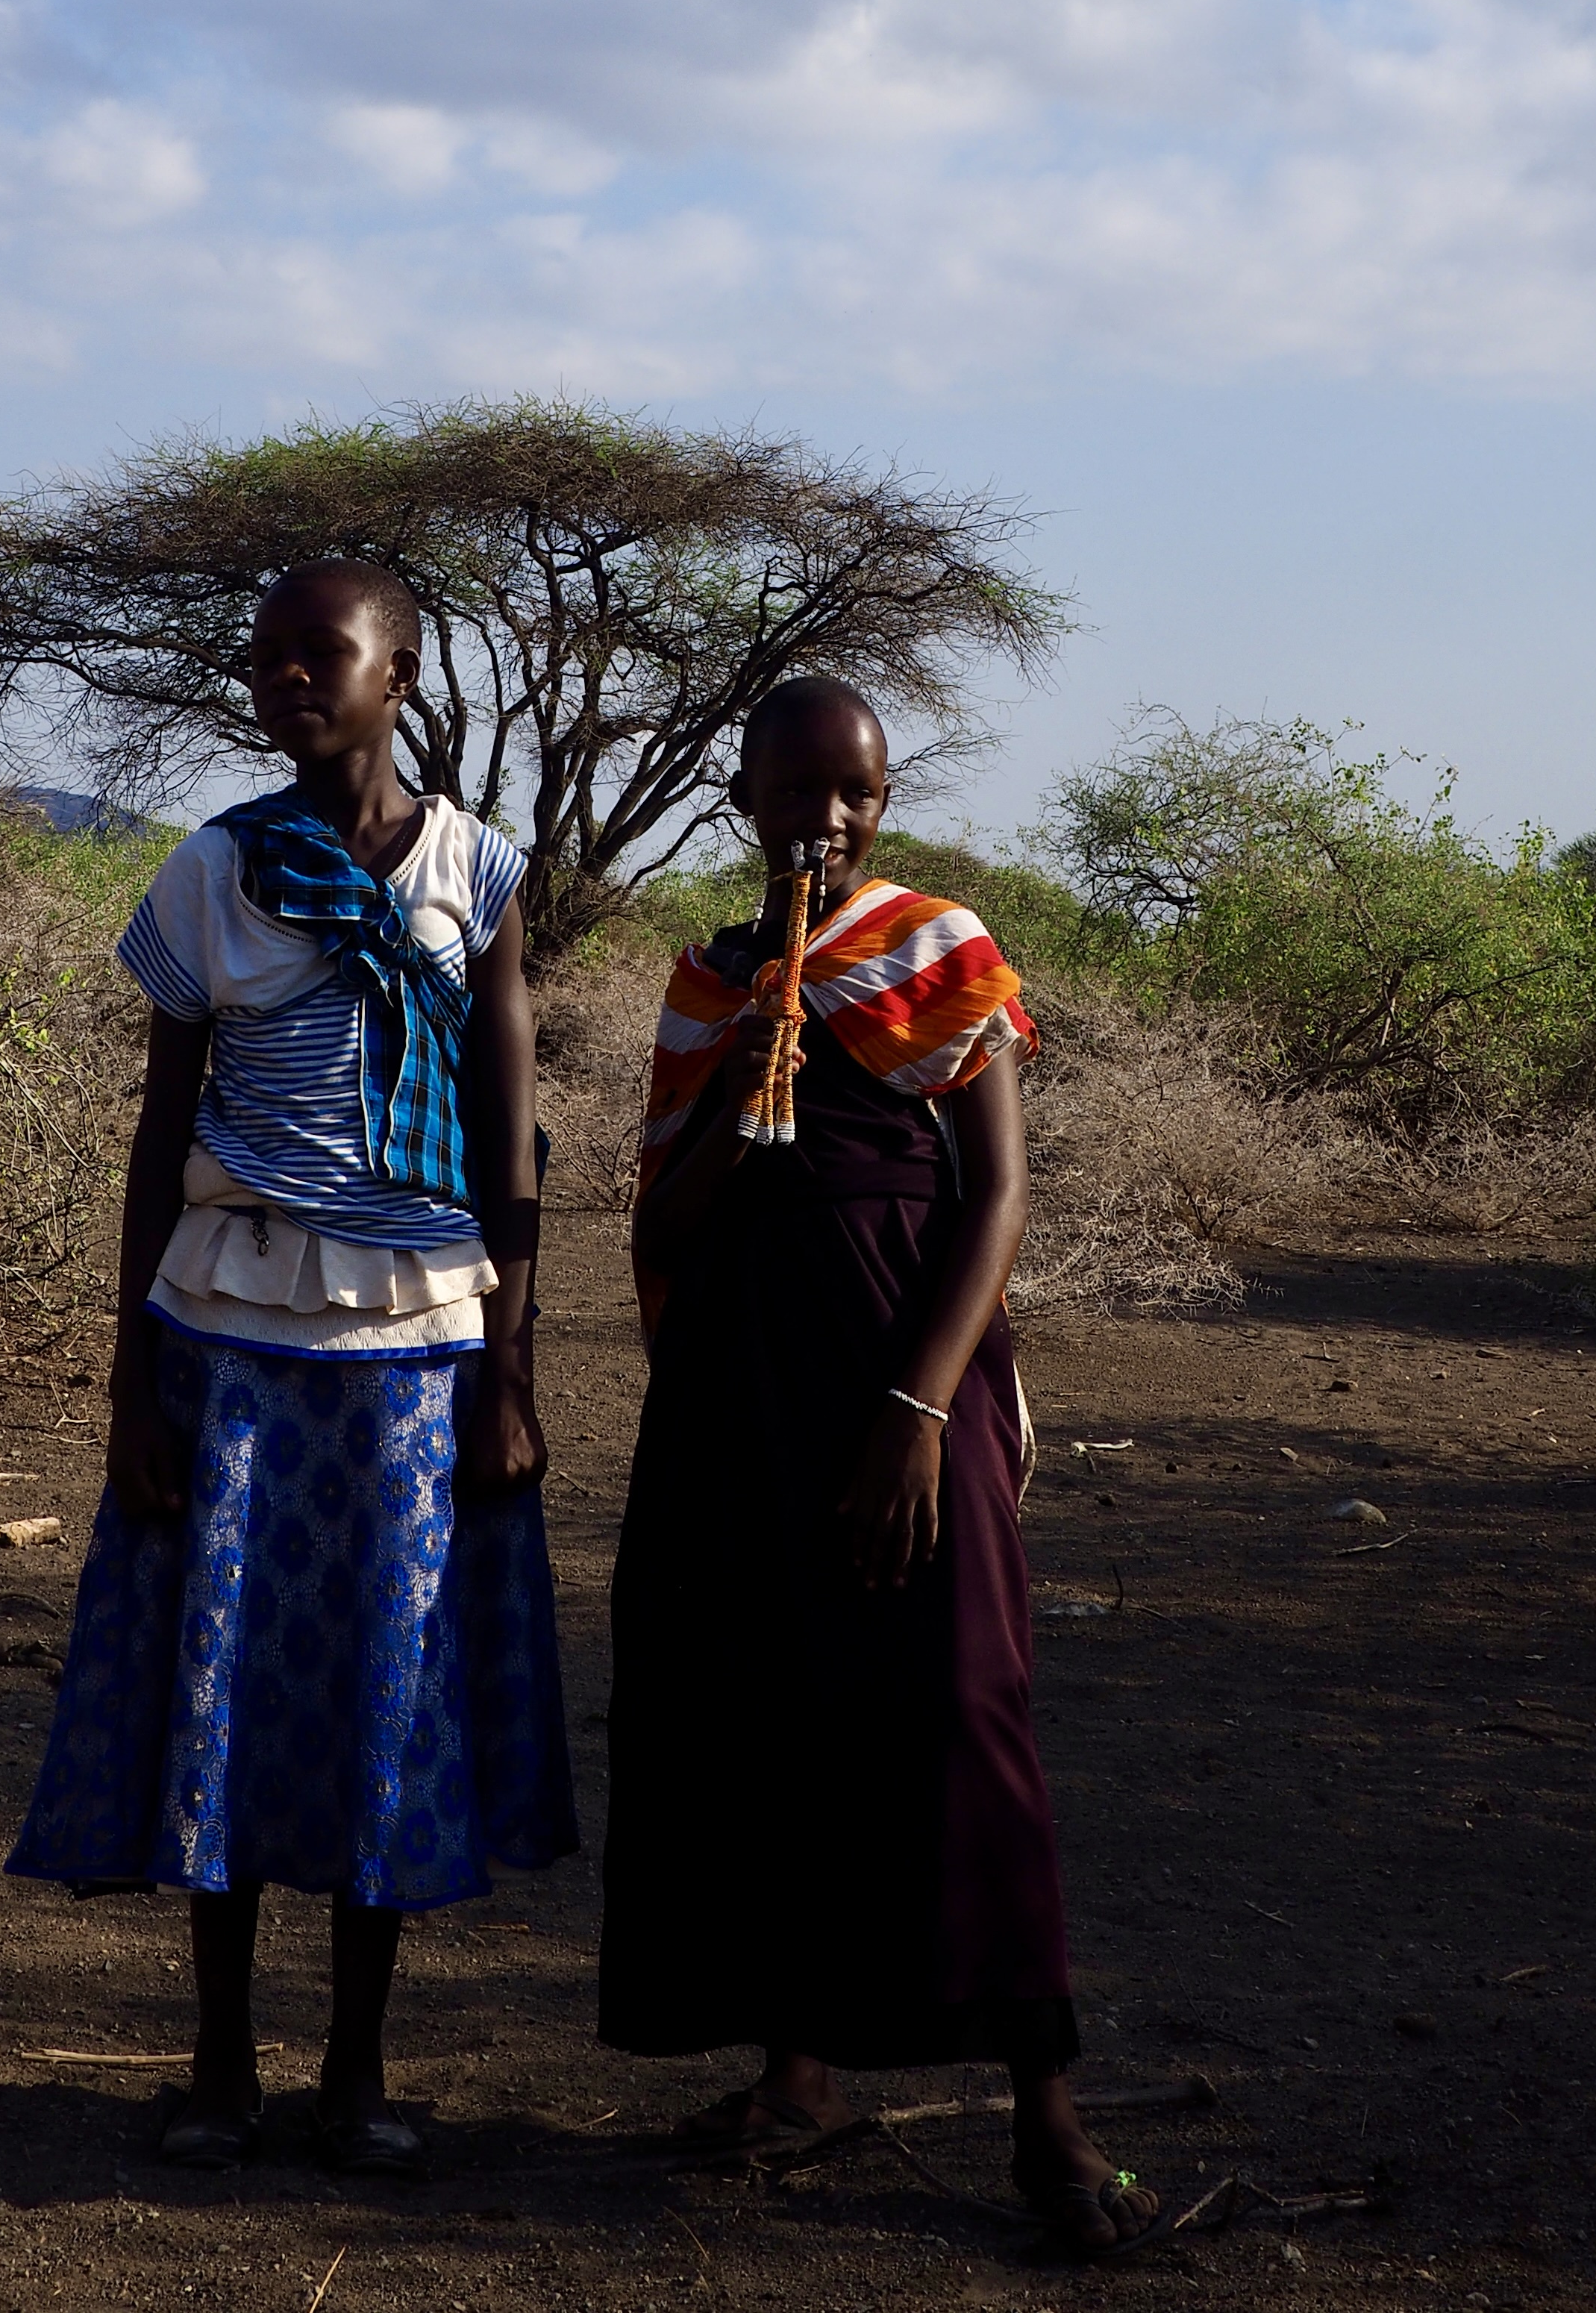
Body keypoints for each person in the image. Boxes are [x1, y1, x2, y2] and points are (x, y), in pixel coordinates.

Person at [8, 557, 576, 2172]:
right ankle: (217, 2065)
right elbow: (157, 1134)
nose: (285, 679)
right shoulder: (215, 871)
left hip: (420, 1339)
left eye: (321, 654)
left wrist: (515, 1369)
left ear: (400, 674)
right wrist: (127, 1379)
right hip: (228, 1331)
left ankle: (359, 2072)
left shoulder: (480, 870)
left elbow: (505, 1133)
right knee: (226, 1681)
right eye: (265, 658)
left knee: (386, 1695)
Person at [598, 675, 1157, 2258]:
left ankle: (1050, 2121)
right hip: (736, 1397)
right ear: (746, 797)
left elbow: (991, 1201)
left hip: (905, 1385)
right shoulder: (708, 985)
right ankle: (799, 2074)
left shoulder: (937, 951)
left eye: (849, 794)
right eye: (792, 793)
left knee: (960, 1710)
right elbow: (663, 1226)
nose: (820, 821)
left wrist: (918, 1415)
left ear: (884, 800)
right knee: (761, 1707)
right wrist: (750, 1066)